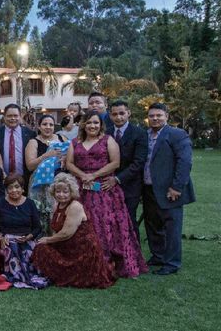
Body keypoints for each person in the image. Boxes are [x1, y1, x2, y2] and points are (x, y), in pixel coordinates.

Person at [65, 111, 148, 278]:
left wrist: (93, 176)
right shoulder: (75, 142)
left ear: (101, 125)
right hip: (81, 188)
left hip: (103, 188)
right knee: (82, 223)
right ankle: (84, 262)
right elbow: (69, 163)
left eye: (96, 123)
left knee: (105, 223)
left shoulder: (108, 140)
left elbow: (115, 163)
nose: (92, 126)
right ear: (83, 125)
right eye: (89, 123)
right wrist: (82, 176)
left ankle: (108, 261)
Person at [32, 173, 116, 289]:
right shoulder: (57, 205)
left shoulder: (75, 206)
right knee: (40, 248)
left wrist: (48, 240)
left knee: (42, 246)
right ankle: (57, 275)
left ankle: (65, 276)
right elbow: (56, 230)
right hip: (66, 246)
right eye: (58, 191)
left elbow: (67, 233)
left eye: (65, 191)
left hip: (81, 250)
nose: (61, 195)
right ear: (53, 192)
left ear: (71, 192)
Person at [142, 103, 195, 275]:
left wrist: (176, 187)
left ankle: (171, 263)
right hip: (148, 188)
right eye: (151, 116)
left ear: (166, 116)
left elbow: (185, 162)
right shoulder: (146, 135)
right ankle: (158, 256)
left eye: (159, 115)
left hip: (169, 190)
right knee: (152, 225)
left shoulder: (176, 134)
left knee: (171, 227)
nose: (155, 118)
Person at [0, 173, 48, 289]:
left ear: (22, 188)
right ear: (6, 190)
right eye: (10, 188)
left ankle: (29, 275)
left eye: (17, 187)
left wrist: (29, 236)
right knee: (12, 247)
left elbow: (37, 227)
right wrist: (0, 238)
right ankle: (16, 276)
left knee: (32, 250)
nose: (14, 190)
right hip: (7, 239)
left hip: (27, 238)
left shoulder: (30, 203)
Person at [104, 100, 148, 236]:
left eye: (122, 113)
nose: (118, 117)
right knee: (110, 220)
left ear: (128, 113)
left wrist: (117, 179)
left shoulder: (139, 133)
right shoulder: (106, 133)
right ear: (110, 116)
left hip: (130, 185)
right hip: (107, 185)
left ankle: (133, 254)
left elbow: (139, 162)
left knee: (128, 220)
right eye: (115, 114)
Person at [25, 114, 69, 234]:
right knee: (41, 216)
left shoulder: (61, 138)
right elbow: (30, 166)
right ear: (39, 126)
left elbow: (71, 154)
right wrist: (46, 155)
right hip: (40, 185)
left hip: (60, 183)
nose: (48, 127)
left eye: (51, 124)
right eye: (44, 124)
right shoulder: (33, 142)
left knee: (60, 213)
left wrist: (65, 158)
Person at [0, 104, 36, 186]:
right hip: (2, 178)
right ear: (4, 117)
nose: (13, 118)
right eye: (9, 116)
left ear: (20, 116)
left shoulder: (30, 134)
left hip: (24, 179)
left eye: (15, 116)